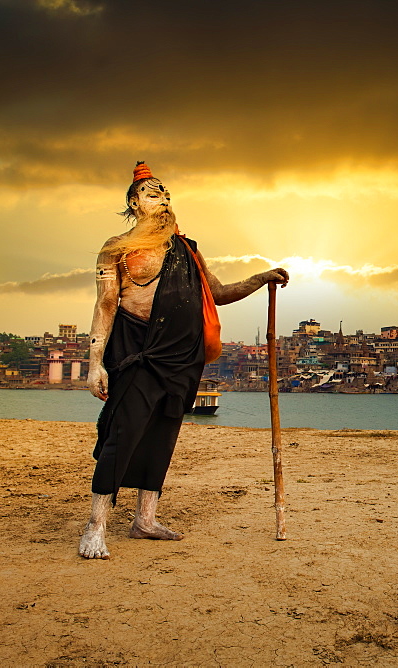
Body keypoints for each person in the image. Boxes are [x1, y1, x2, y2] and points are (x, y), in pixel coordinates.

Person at [79, 161, 288, 559]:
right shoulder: (116, 248)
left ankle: (145, 519)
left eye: (168, 195)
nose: (164, 201)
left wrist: (261, 278)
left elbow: (219, 292)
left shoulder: (187, 249)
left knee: (163, 435)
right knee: (122, 435)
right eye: (154, 194)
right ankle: (96, 526)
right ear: (134, 202)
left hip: (182, 357)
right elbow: (106, 304)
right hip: (136, 353)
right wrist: (95, 363)